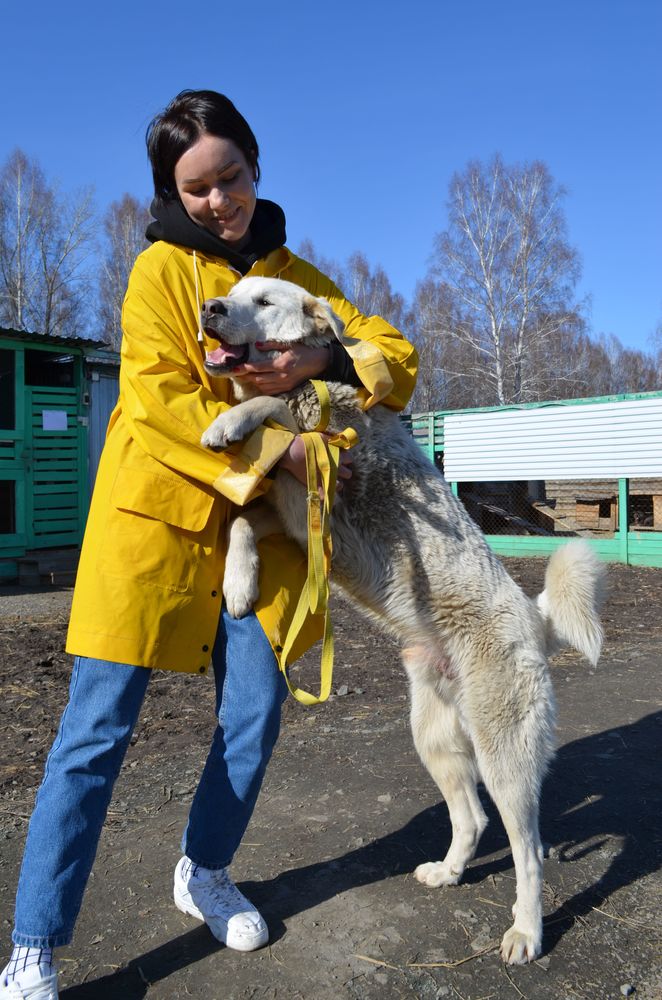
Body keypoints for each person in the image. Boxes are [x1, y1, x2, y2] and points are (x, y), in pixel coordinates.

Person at [0, 90, 417, 999]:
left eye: (230, 177)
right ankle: (35, 940)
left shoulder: (298, 277)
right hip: (153, 524)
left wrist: (324, 360)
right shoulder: (158, 274)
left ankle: (206, 869)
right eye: (196, 188)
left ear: (255, 168)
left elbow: (395, 353)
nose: (218, 199)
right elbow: (159, 401)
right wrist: (287, 449)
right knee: (94, 733)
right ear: (171, 193)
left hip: (263, 536)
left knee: (253, 715)